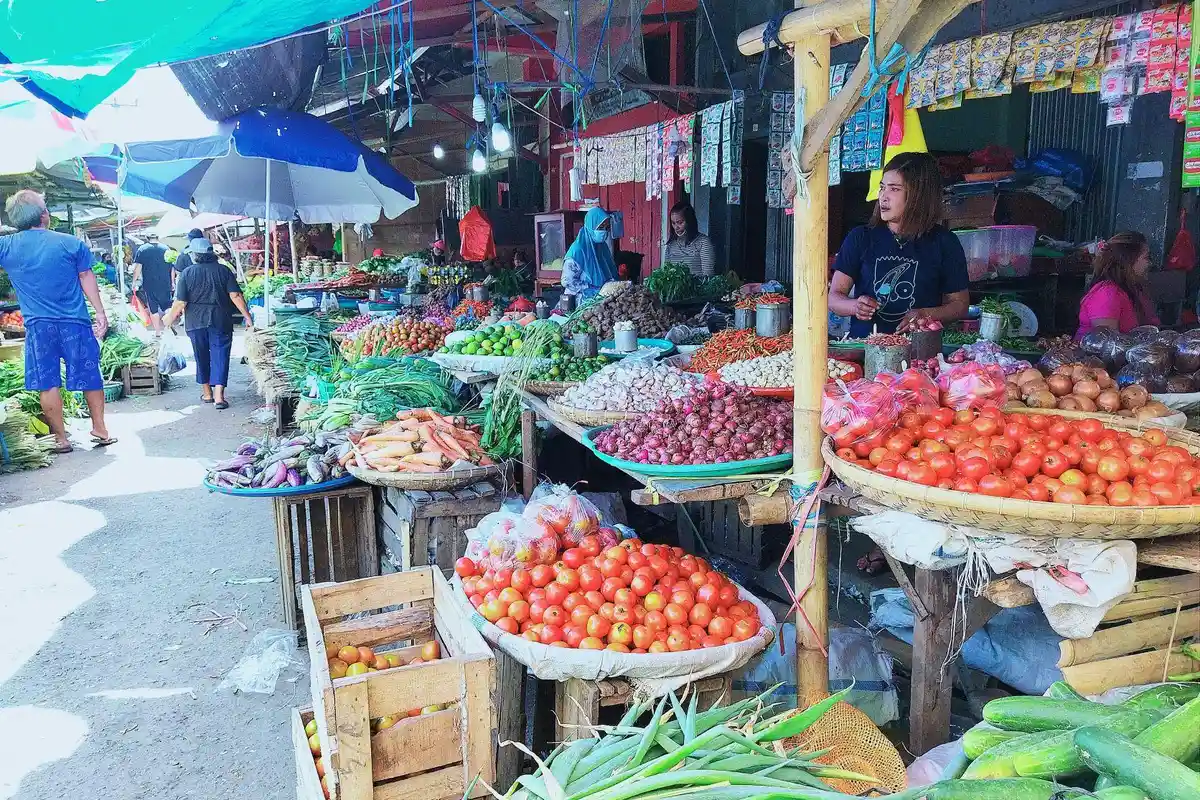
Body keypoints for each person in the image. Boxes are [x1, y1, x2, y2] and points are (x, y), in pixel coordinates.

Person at [0, 190, 114, 452]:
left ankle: (60, 439)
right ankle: (100, 429)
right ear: (44, 215)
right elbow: (87, 278)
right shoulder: (70, 243)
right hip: (75, 322)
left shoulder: (6, 247)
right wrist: (100, 312)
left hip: (38, 326)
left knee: (46, 381)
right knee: (90, 375)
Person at [829, 152, 970, 336]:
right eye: (882, 188)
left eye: (894, 189)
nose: (883, 196)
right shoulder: (860, 237)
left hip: (921, 355)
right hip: (866, 350)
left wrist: (924, 314)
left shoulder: (944, 242)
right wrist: (855, 306)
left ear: (918, 195)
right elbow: (833, 298)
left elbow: (960, 305)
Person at [161, 237, 252, 410]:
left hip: (195, 321)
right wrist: (247, 317)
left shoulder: (187, 273)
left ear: (195, 255)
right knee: (221, 355)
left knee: (201, 355)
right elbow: (236, 296)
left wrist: (168, 320)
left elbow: (180, 303)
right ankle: (219, 396)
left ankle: (207, 394)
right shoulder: (224, 271)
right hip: (221, 319)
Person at [1076, 231, 1159, 338]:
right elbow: (1107, 345)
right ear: (1128, 260)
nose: (1150, 263)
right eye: (1147, 257)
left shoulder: (1134, 289)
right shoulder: (1107, 294)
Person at [561, 207, 618, 299]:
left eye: (607, 227)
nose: (604, 231)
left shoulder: (602, 247)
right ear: (591, 226)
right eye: (600, 227)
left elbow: (610, 270)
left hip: (601, 299)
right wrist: (589, 288)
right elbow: (567, 281)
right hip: (581, 301)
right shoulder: (578, 250)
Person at [132, 232, 175, 332]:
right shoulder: (166, 249)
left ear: (147, 238)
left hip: (149, 284)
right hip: (165, 283)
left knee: (153, 309)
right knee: (167, 307)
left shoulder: (142, 249)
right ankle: (168, 328)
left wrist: (134, 281)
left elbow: (138, 268)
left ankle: (158, 332)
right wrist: (172, 282)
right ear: (158, 237)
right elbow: (172, 268)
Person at [664, 201, 717, 277]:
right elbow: (666, 273)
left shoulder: (703, 243)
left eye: (680, 222)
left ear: (690, 221)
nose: (676, 227)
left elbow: (708, 276)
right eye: (673, 223)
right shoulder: (671, 245)